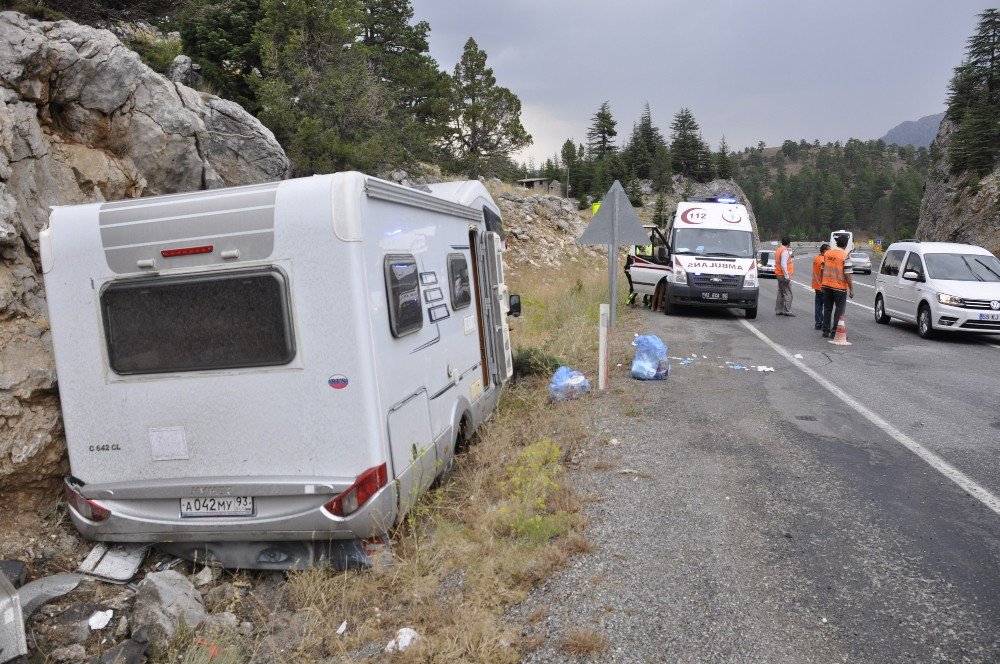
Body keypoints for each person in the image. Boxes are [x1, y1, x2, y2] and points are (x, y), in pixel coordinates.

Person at [821, 235, 854, 337]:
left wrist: (823, 283)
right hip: (839, 288)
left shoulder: (827, 253)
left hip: (827, 285)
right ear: (846, 244)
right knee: (839, 310)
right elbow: (847, 274)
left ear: (836, 243)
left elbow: (822, 269)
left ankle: (825, 330)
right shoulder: (845, 256)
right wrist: (851, 289)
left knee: (827, 308)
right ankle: (835, 332)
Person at [774, 236, 795, 316]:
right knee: (788, 293)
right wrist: (787, 276)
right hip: (783, 275)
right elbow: (783, 265)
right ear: (789, 244)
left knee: (780, 292)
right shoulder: (785, 251)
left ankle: (779, 310)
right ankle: (787, 311)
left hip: (778, 274)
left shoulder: (779, 249)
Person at [812, 243, 830, 329]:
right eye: (829, 250)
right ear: (824, 251)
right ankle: (825, 325)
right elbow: (824, 273)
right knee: (827, 307)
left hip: (816, 286)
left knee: (818, 306)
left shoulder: (816, 258)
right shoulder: (824, 260)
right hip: (823, 287)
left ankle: (818, 323)